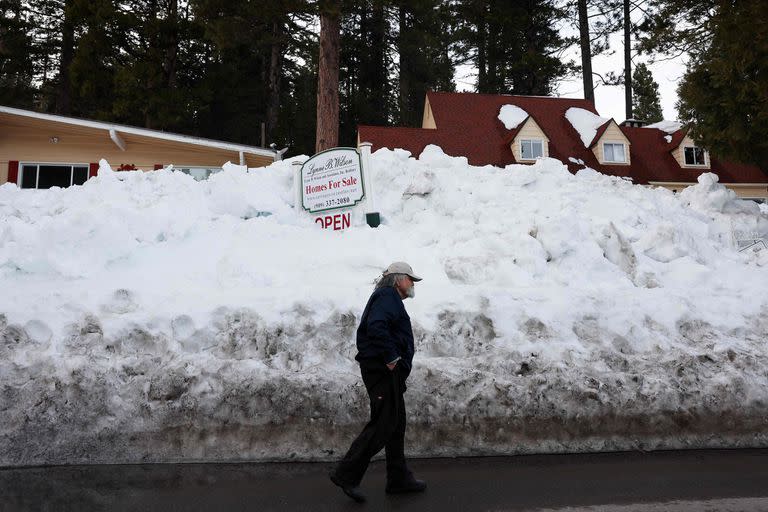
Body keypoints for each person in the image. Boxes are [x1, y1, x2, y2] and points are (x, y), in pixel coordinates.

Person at [330, 262, 427, 503]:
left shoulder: (390, 298)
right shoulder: (386, 296)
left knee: (397, 423)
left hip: (388, 373)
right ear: (397, 280)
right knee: (384, 424)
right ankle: (346, 474)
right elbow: (376, 326)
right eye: (410, 278)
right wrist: (392, 357)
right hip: (382, 372)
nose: (413, 283)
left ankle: (399, 478)